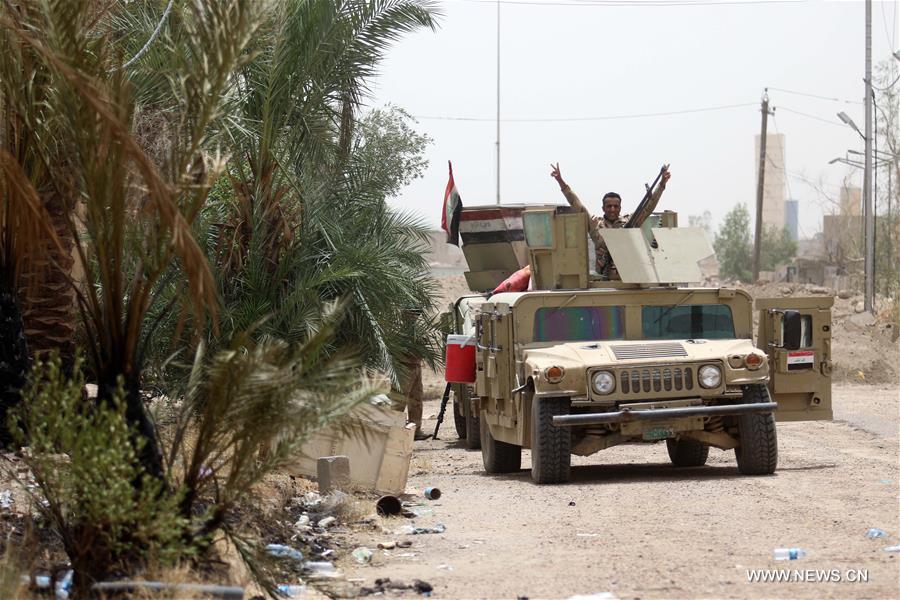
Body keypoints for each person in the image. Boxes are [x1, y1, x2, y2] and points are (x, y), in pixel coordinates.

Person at [550, 163, 671, 278]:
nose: (612, 209)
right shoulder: (595, 224)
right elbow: (577, 205)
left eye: (616, 206)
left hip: (629, 278)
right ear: (603, 208)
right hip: (603, 280)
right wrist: (561, 182)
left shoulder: (630, 221)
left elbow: (647, 207)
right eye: (609, 206)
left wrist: (661, 185)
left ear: (620, 208)